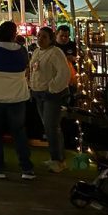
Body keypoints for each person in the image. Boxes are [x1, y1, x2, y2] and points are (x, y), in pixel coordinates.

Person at [0, 21, 34, 180]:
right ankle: (27, 168)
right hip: (17, 97)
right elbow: (25, 66)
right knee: (19, 132)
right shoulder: (21, 51)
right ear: (14, 34)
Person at [29, 26, 71, 173]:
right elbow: (34, 70)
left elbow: (64, 73)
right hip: (38, 93)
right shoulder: (37, 52)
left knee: (51, 127)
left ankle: (58, 159)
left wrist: (52, 88)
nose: (40, 39)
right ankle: (55, 158)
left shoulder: (56, 52)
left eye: (44, 36)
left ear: (51, 39)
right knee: (48, 126)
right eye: (39, 36)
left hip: (51, 95)